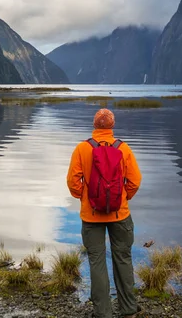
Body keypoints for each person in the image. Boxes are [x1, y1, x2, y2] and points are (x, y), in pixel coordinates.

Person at [67, 108, 142, 318]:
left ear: (94, 125)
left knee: (97, 261)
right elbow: (135, 181)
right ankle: (128, 309)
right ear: (112, 125)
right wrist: (122, 199)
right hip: (120, 214)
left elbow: (73, 183)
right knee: (123, 259)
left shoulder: (82, 148)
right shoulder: (123, 148)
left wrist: (85, 198)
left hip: (91, 216)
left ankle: (103, 312)